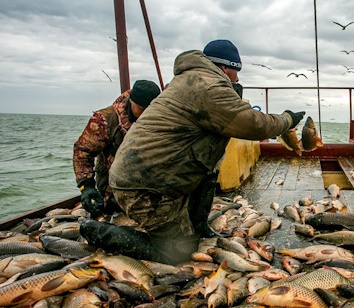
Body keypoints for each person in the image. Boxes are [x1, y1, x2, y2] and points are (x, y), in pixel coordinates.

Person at [80, 39, 305, 264]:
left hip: (157, 175)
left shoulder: (189, 80)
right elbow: (255, 125)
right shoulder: (208, 87)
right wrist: (287, 119)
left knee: (210, 166)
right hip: (143, 186)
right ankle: (98, 231)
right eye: (237, 71)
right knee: (177, 253)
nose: (238, 78)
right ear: (226, 68)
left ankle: (198, 225)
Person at [73, 80, 161, 217]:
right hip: (113, 183)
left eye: (150, 109)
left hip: (145, 180)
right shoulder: (104, 120)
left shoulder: (160, 118)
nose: (146, 113)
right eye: (142, 109)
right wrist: (86, 186)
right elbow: (82, 151)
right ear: (132, 102)